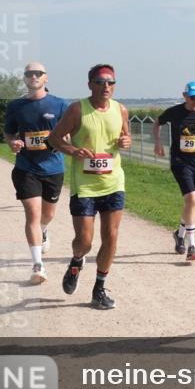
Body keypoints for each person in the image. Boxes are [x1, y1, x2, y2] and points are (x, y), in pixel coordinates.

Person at [48, 64, 131, 310]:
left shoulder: (121, 110)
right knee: (84, 241)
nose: (106, 86)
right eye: (100, 82)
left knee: (111, 237)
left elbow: (126, 137)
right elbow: (54, 138)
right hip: (85, 187)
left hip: (113, 182)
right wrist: (74, 151)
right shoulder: (77, 110)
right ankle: (76, 262)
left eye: (110, 82)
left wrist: (127, 141)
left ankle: (99, 289)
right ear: (90, 84)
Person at [4, 63, 70, 284]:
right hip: (26, 167)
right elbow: (9, 133)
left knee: (48, 215)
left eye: (38, 73)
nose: (33, 76)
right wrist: (12, 142)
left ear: (46, 78)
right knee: (32, 213)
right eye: (29, 73)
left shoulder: (60, 105)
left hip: (53, 168)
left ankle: (43, 230)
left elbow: (70, 134)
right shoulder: (15, 106)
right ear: (24, 78)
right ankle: (38, 264)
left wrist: (64, 141)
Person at [153, 81, 195, 263]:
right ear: (185, 95)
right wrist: (158, 143)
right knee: (191, 199)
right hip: (179, 161)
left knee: (191, 203)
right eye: (192, 97)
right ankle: (192, 246)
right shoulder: (174, 112)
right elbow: (157, 123)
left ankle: (179, 234)